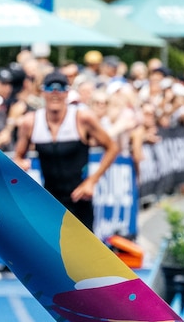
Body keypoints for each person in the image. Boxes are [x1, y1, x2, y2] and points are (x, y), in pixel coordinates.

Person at [14, 71, 119, 231]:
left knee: (82, 252)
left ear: (67, 92)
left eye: (61, 88)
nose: (55, 93)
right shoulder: (31, 122)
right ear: (43, 92)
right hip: (50, 200)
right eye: (50, 88)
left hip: (79, 199)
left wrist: (91, 181)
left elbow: (112, 147)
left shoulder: (81, 118)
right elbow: (18, 156)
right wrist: (19, 163)